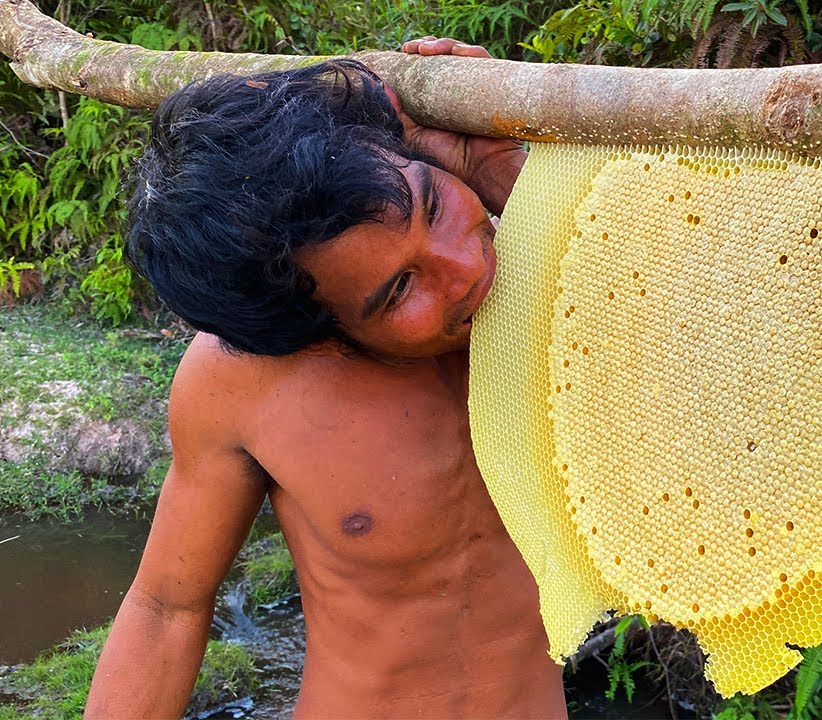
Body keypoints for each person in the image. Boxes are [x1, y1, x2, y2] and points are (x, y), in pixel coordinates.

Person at [84, 37, 568, 718]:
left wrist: (509, 173)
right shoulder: (242, 382)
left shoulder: (560, 279)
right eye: (399, 290)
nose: (464, 269)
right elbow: (167, 607)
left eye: (431, 205)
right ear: (317, 334)